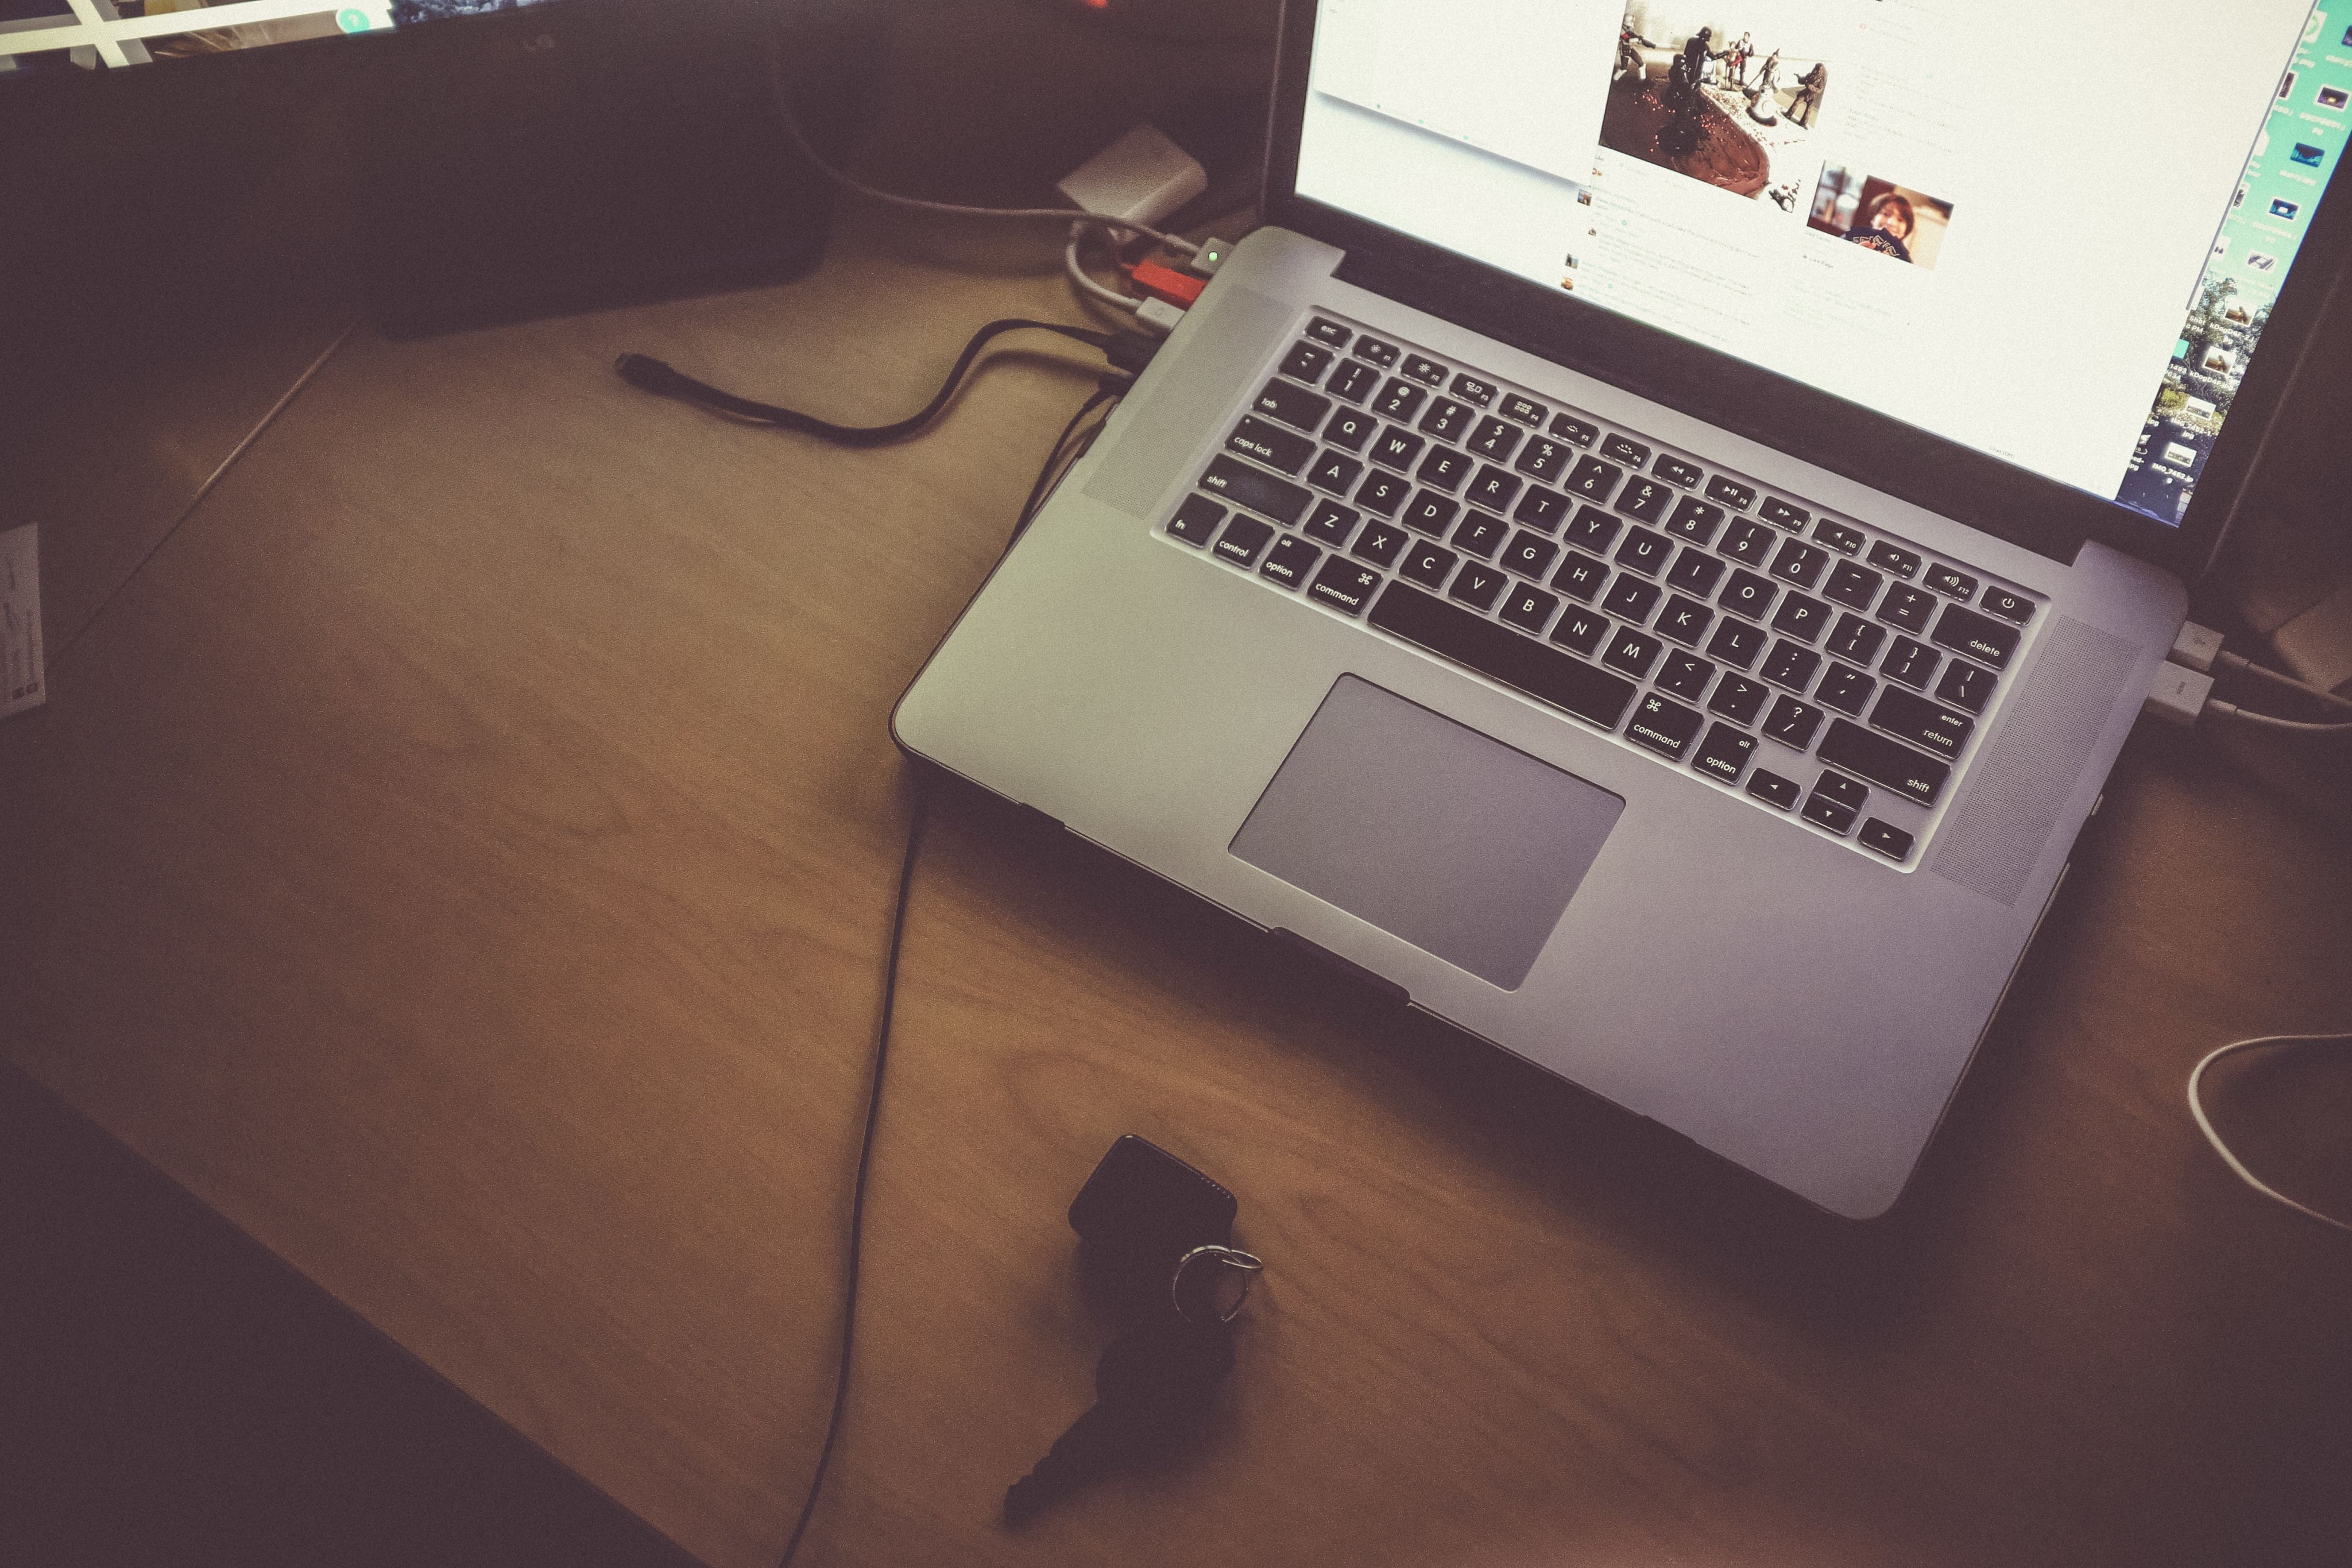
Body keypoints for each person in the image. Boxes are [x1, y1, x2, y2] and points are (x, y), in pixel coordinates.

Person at [1843, 191, 1915, 262]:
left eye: (1900, 220)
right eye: (1886, 214)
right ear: (1873, 218)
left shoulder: (1906, 261)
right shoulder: (1849, 238)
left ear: (1905, 231)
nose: (1891, 223)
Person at [1790, 61, 1827, 127]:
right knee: (1797, 101)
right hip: (1805, 93)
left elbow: (1820, 90)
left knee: (1809, 110)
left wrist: (1811, 87)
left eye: (1817, 70)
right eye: (1815, 69)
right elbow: (1803, 81)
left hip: (1813, 96)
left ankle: (1803, 123)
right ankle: (1789, 114)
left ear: (1821, 72)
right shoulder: (1810, 75)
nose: (1815, 71)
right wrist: (1799, 77)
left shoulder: (1821, 81)